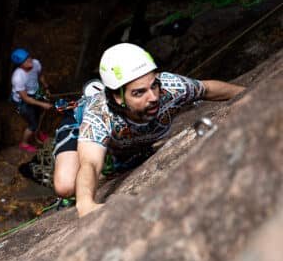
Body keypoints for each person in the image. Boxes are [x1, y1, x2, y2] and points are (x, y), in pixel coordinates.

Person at [52, 43, 245, 217]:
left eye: (154, 85)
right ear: (118, 97)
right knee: (66, 185)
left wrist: (248, 91)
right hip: (78, 123)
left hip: (125, 136)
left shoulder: (170, 87)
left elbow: (207, 89)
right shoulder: (99, 114)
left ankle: (122, 156)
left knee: (127, 153)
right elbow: (91, 164)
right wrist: (86, 203)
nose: (153, 97)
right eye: (139, 92)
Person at [10, 48, 53, 153]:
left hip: (34, 92)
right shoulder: (18, 77)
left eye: (29, 57)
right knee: (32, 124)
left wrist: (46, 87)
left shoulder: (35, 63)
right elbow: (25, 98)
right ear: (20, 65)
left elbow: (40, 75)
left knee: (37, 115)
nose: (30, 60)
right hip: (23, 100)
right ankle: (24, 143)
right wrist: (42, 104)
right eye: (25, 60)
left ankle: (38, 133)